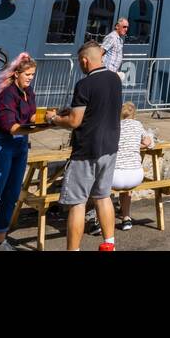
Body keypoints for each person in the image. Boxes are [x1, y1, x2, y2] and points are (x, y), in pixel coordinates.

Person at [44, 41, 123, 251]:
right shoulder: (115, 79)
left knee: (77, 203)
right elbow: (99, 106)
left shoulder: (84, 85)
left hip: (87, 149)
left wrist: (54, 119)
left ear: (85, 60)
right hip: (110, 146)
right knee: (103, 196)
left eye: (81, 61)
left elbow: (75, 121)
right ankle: (109, 244)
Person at [0, 53, 43, 250]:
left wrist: (47, 119)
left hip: (20, 146)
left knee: (11, 194)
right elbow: (10, 126)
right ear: (16, 74)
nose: (30, 78)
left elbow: (31, 117)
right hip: (0, 145)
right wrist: (39, 128)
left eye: (33, 74)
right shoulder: (6, 95)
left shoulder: (29, 93)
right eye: (27, 74)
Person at [111, 102, 155, 232]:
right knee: (127, 189)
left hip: (115, 177)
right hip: (136, 176)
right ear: (134, 114)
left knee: (101, 187)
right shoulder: (138, 125)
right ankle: (126, 218)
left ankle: (99, 219)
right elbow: (148, 142)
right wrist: (135, 145)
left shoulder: (114, 126)